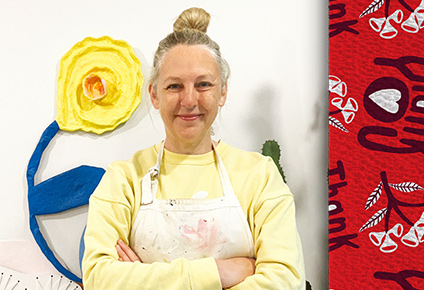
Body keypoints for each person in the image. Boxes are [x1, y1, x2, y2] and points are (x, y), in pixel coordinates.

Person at [82, 7, 305, 290]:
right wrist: (221, 273)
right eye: (174, 86)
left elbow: (284, 281)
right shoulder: (123, 180)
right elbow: (98, 280)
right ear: (154, 94)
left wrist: (143, 279)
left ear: (222, 91)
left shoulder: (259, 176)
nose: (189, 100)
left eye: (203, 84)